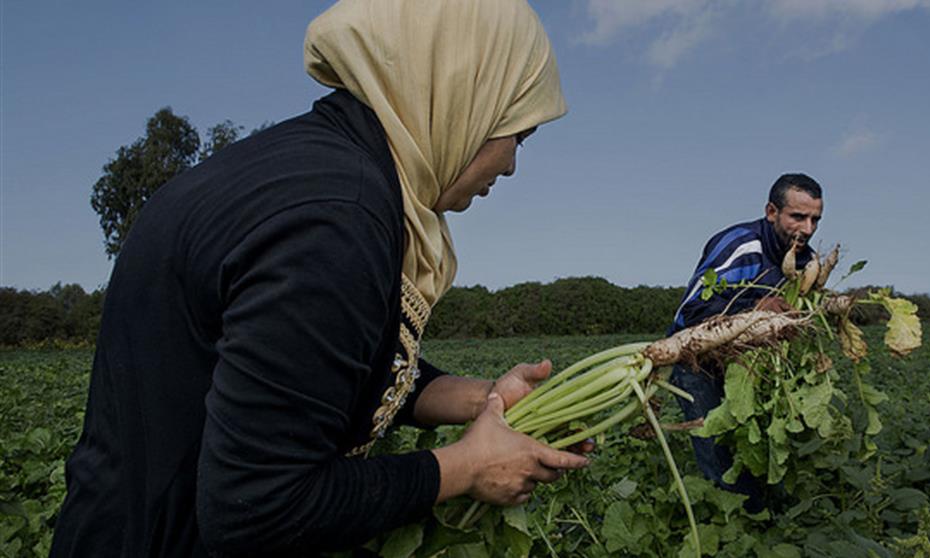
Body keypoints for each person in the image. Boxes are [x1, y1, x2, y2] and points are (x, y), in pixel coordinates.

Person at [50, 1, 589, 556]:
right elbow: (260, 509)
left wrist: (482, 399)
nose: (510, 166)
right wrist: (466, 467)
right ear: (465, 94)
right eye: (517, 136)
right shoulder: (336, 219)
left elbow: (316, 370)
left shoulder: (307, 166)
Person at [667, 173, 824, 512]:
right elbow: (691, 310)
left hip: (746, 364)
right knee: (716, 450)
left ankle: (770, 512)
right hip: (696, 360)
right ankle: (734, 521)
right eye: (798, 217)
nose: (808, 228)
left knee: (760, 440)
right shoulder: (741, 246)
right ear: (771, 211)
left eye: (815, 219)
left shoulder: (803, 260)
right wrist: (754, 308)